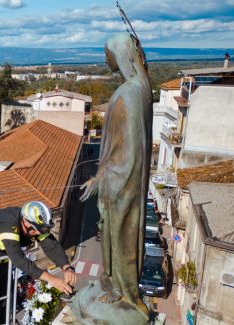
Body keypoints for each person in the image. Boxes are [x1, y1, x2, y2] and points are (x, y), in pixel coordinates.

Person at [79, 32, 152, 317]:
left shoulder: (127, 95)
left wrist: (101, 180)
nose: (105, 58)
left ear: (120, 54)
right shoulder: (140, 91)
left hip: (122, 189)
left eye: (107, 53)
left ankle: (125, 293)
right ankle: (118, 289)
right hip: (125, 186)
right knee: (119, 240)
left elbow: (128, 155)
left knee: (120, 239)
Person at [0, 201, 77, 323]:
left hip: (3, 257)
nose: (38, 234)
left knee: (2, 297)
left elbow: (51, 246)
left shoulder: (33, 224)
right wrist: (51, 279)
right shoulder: (7, 224)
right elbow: (19, 260)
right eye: (35, 230)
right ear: (26, 222)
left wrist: (67, 267)